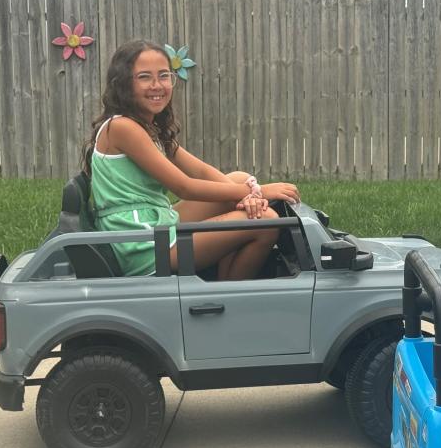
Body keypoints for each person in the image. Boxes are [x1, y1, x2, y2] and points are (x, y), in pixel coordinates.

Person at [83, 40, 300, 279]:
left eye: (164, 75)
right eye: (144, 77)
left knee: (238, 179)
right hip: (141, 244)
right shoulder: (123, 127)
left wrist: (251, 194)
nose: (157, 85)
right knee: (266, 222)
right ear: (123, 84)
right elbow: (184, 187)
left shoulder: (148, 126)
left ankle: (221, 279)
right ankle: (226, 299)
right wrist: (263, 191)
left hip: (155, 224)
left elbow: (201, 171)